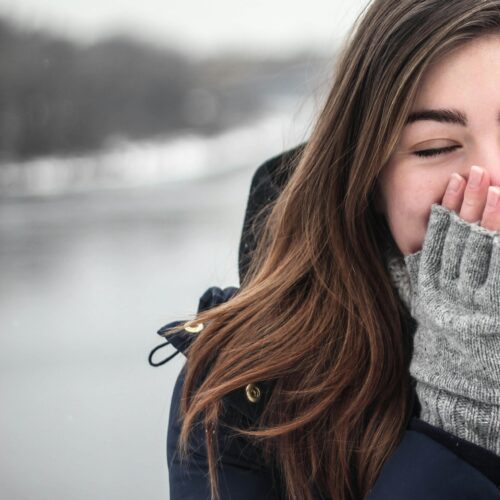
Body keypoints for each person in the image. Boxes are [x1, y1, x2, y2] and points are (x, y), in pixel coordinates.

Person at [149, 0, 500, 498]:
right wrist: (464, 415)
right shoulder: (246, 391)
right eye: (434, 148)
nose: (492, 184)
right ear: (370, 178)